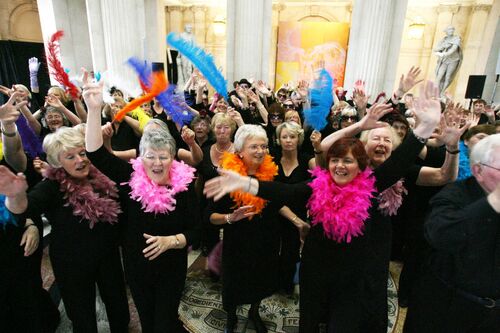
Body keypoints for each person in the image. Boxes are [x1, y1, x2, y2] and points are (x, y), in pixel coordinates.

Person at [204, 82, 442, 333]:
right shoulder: (318, 185)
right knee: (309, 322)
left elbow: (399, 164)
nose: (340, 166)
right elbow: (287, 192)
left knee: (342, 324)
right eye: (335, 161)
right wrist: (246, 183)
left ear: (359, 166)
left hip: (351, 274)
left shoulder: (371, 185)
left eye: (347, 161)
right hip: (315, 268)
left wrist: (424, 129)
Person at [84, 74, 199, 332]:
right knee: (148, 323)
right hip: (137, 266)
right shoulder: (130, 177)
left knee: (164, 323)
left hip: (172, 266)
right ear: (140, 157)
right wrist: (93, 110)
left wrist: (173, 241)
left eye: (163, 157)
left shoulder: (185, 185)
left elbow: (198, 228)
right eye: (150, 157)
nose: (157, 163)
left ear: (173, 158)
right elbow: (94, 153)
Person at [0, 124, 130, 333]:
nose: (80, 160)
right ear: (56, 163)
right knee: (82, 317)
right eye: (70, 157)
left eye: (82, 153)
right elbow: (25, 209)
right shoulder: (51, 186)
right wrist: (15, 195)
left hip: (108, 256)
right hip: (72, 262)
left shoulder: (101, 176)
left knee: (119, 309)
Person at [403, 134, 500, 332]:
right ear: (478, 170)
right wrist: (494, 202)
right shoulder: (455, 194)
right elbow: (440, 234)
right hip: (445, 308)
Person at [206, 124, 281, 333]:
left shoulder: (273, 173)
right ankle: (231, 316)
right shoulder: (226, 177)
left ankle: (254, 312)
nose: (260, 151)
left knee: (262, 279)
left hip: (267, 239)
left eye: (264, 146)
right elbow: (209, 217)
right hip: (238, 242)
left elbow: (280, 200)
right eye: (254, 146)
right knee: (234, 284)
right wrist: (231, 217)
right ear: (239, 150)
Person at [434, 26, 462, 96]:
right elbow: (435, 49)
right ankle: (436, 93)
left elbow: (453, 49)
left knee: (448, 76)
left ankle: (442, 92)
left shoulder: (456, 39)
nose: (451, 31)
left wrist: (443, 54)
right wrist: (443, 46)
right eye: (449, 29)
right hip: (444, 60)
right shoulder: (444, 40)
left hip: (453, 60)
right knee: (439, 75)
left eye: (452, 29)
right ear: (446, 31)